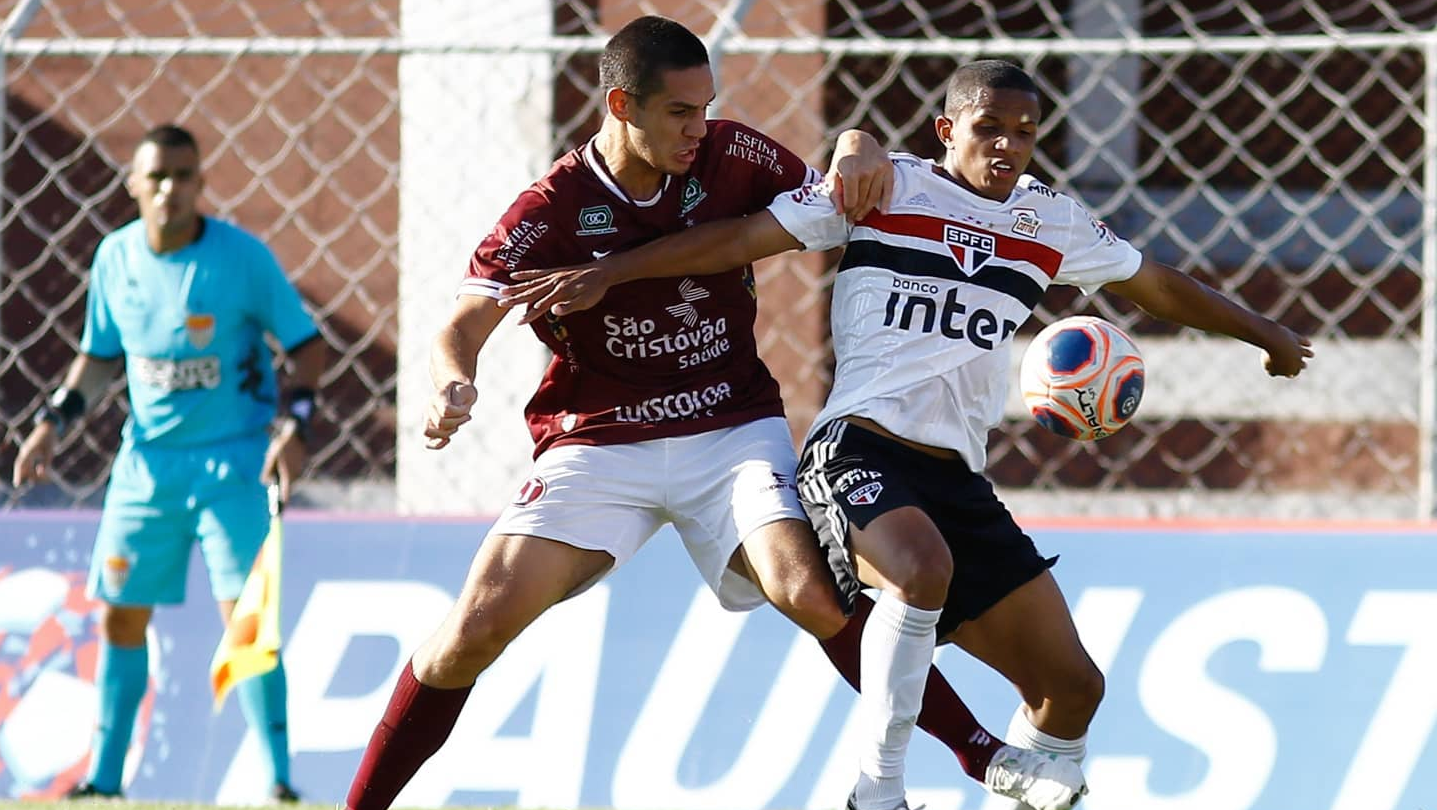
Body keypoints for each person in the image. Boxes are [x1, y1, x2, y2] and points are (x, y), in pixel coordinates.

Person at [500, 58, 1315, 809]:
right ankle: (877, 791)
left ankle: (1011, 782)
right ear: (946, 129)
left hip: (958, 480)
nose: (1008, 146)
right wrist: (614, 270)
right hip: (857, 449)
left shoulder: (1051, 222)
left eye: (1025, 133)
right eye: (990, 127)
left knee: (1072, 689)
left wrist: (1264, 333)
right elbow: (738, 240)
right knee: (920, 569)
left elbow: (1159, 285)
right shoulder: (885, 189)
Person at [344, 19, 1085, 810]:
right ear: (621, 103)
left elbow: (837, 192)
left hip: (731, 428)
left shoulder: (733, 155)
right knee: (473, 633)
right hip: (597, 443)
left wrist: (856, 144)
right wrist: (453, 382)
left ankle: (976, 755)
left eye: (707, 109)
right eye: (680, 114)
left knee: (807, 589)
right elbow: (462, 324)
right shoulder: (552, 206)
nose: (701, 130)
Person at [12, 124, 325, 801]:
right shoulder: (115, 258)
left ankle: (278, 783)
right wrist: (52, 423)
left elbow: (306, 345)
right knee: (121, 617)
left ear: (201, 183)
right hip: (146, 469)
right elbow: (99, 358)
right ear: (132, 184)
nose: (169, 189)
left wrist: (295, 423)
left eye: (183, 176)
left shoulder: (243, 260)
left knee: (247, 621)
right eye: (155, 176)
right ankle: (102, 782)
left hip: (233, 467)